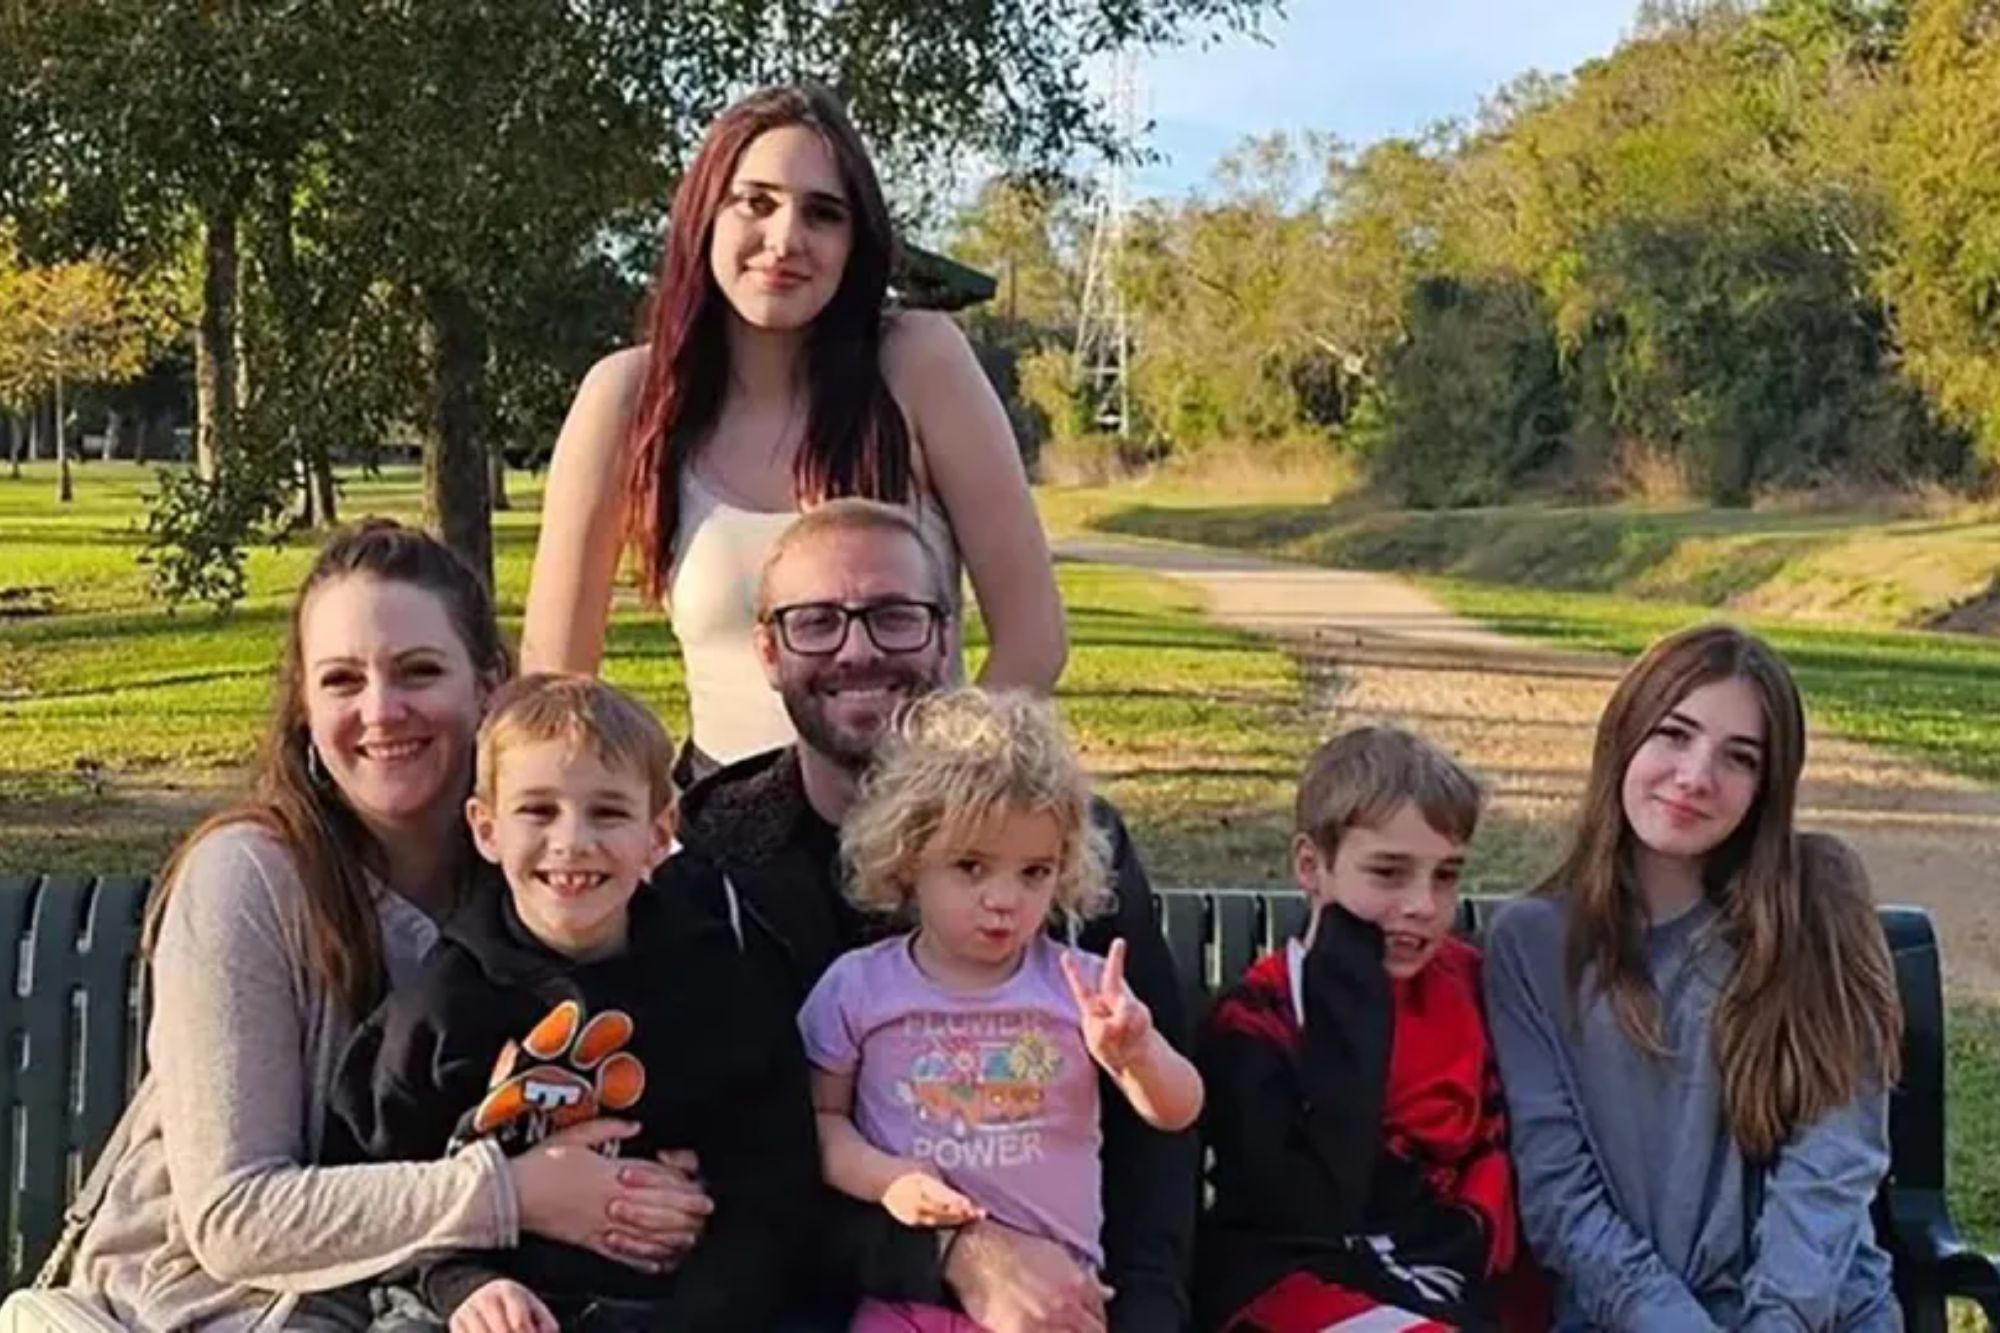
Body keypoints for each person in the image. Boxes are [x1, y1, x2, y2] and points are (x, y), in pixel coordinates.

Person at [57, 521, 706, 1332]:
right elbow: (233, 1216)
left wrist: (660, 1182)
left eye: (419, 671)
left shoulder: (543, 870)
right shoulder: (249, 876)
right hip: (208, 1305)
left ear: (491, 685)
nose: (381, 710)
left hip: (449, 1300)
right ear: (305, 706)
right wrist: (513, 1194)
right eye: (341, 681)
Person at [673, 498, 1199, 1333]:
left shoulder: (1068, 840)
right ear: (767, 651)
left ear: (947, 636)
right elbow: (744, 1163)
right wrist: (955, 1255)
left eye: (895, 616)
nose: (858, 647)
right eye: (815, 621)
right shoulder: (713, 865)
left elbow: (1156, 1141)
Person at [520, 83, 1065, 777]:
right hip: (720, 847)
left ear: (854, 241)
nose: (786, 240)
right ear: (703, 216)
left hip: (910, 837)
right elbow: (553, 679)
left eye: (823, 214)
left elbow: (1033, 641)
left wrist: (930, 807)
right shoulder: (627, 396)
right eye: (756, 202)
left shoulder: (920, 363)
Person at [329, 673, 816, 1333]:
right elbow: (382, 1181)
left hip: (683, 1306)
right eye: (538, 809)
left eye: (608, 812)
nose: (573, 840)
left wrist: (705, 1305)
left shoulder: (717, 986)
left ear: (658, 832)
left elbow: (774, 1178)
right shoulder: (442, 1004)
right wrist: (463, 1282)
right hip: (486, 1307)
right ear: (486, 828)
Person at [1483, 624, 1904, 1330]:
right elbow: (1560, 1195)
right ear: (1625, 734)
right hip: (1628, 1316)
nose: (1696, 775)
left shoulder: (1817, 901)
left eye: (1739, 757)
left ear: (1766, 788)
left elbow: (1834, 1161)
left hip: (1819, 1315)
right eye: (1674, 734)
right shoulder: (1534, 943)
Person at [800, 689, 1204, 1333]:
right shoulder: (859, 989)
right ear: (909, 860)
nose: (1003, 900)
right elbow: (822, 1123)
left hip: (1061, 1299)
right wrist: (889, 1180)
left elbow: (1179, 1109)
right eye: (971, 867)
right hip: (910, 1300)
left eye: (1034, 872)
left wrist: (1138, 1057)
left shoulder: (1083, 987)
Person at [1197, 726, 1519, 1333]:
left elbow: (1494, 1172)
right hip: (1287, 1283)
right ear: (1310, 866)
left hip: (1442, 1281)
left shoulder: (1471, 988)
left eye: (1446, 876)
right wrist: (1349, 998)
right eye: (1389, 873)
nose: (1423, 904)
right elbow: (1309, 1210)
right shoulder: (1257, 1022)